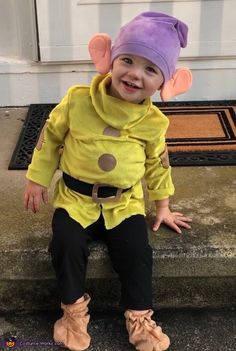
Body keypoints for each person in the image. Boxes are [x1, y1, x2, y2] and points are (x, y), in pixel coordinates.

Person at [24, 11, 192, 351]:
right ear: (110, 58)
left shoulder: (153, 123)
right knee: (66, 245)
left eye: (150, 69)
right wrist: (37, 180)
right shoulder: (78, 100)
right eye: (127, 60)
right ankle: (72, 311)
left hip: (124, 203)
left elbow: (158, 165)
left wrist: (162, 206)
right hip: (75, 199)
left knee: (136, 252)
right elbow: (50, 138)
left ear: (165, 82)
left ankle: (140, 317)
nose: (134, 74)